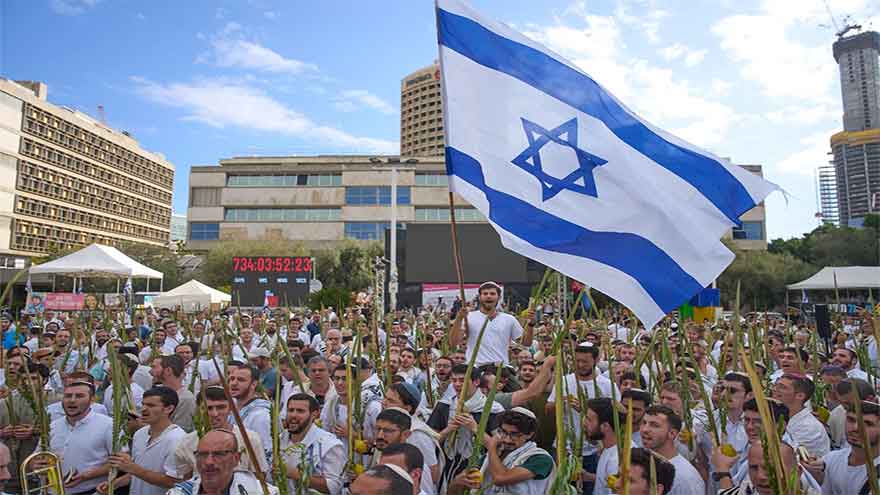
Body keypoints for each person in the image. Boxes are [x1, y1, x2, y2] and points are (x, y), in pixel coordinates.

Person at [546, 342, 617, 493]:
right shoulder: (564, 381)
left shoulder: (607, 385)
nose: (580, 365)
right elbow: (548, 409)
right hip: (564, 449)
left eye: (585, 361)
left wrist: (585, 410)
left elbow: (616, 419)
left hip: (595, 450)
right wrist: (560, 402)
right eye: (577, 361)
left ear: (596, 360)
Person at [99, 387, 186, 495]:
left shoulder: (178, 439)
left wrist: (132, 467)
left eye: (151, 405)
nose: (144, 409)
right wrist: (114, 484)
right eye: (143, 404)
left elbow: (174, 482)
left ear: (169, 409)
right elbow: (136, 473)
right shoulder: (140, 434)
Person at [168, 386, 268, 479]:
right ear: (199, 410)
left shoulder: (250, 438)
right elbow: (187, 481)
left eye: (221, 407)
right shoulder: (187, 443)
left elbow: (260, 477)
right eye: (209, 408)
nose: (215, 414)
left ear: (230, 408)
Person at [451, 407, 554, 495]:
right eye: (503, 432)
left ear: (529, 434)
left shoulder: (540, 459)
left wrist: (491, 446)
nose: (507, 440)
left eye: (514, 434)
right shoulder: (492, 456)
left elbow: (500, 478)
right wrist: (457, 482)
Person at [48, 380, 115, 495]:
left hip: (91, 491)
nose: (72, 400)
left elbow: (121, 463)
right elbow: (37, 456)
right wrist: (36, 463)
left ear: (92, 399)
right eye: (68, 396)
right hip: (52, 491)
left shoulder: (109, 425)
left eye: (79, 396)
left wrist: (88, 475)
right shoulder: (52, 426)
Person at [166, 430, 279, 495]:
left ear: (236, 458)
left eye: (219, 454)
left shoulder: (263, 492)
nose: (208, 462)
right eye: (203, 454)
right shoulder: (179, 493)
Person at [449, 282, 533, 368]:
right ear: (479, 297)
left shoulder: (509, 319)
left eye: (492, 294)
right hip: (475, 368)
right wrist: (459, 318)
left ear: (499, 297)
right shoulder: (468, 317)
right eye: (485, 294)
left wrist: (531, 324)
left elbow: (526, 343)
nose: (488, 296)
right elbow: (453, 343)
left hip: (500, 368)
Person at [805, 399, 880, 494]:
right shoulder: (831, 459)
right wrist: (816, 477)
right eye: (851, 420)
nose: (856, 428)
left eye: (867, 424)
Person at [280, 393, 345, 495]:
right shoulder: (278, 440)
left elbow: (334, 487)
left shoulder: (329, 444)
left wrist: (296, 474)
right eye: (291, 410)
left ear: (314, 414)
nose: (293, 415)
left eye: (300, 411)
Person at [638, 405, 704, 495]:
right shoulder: (641, 464)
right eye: (644, 423)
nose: (645, 429)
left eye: (654, 425)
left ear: (672, 433)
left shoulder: (684, 478)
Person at [370, 409, 435, 495]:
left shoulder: (414, 465)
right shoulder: (379, 455)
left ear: (406, 434)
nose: (380, 435)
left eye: (388, 431)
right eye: (378, 429)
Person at [772, 374, 830, 457]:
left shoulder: (808, 428)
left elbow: (784, 455)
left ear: (800, 396)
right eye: (775, 385)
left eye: (782, 387)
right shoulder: (779, 415)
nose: (774, 389)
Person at [227, 363, 273, 464]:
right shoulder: (231, 409)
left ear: (253, 384)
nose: (234, 383)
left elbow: (266, 453)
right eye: (232, 379)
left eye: (241, 380)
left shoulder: (261, 416)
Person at [586, 397, 632, 495]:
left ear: (605, 426)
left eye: (589, 420)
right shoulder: (609, 447)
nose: (585, 423)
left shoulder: (616, 460)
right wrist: (588, 477)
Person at [149, 355, 196, 432]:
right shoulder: (156, 391)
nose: (150, 372)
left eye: (154, 367)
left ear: (168, 371)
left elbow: (180, 431)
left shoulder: (185, 399)